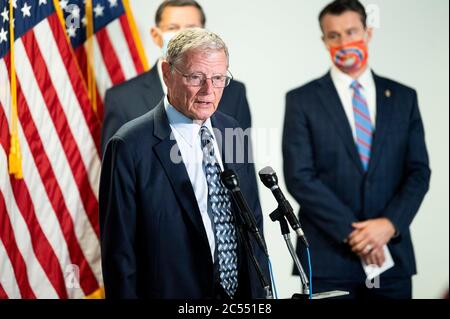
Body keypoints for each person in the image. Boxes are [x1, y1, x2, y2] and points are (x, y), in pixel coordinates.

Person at [99, 28, 269, 299]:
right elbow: (120, 254)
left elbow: (252, 222)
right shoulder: (129, 145)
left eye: (218, 78)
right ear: (167, 73)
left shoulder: (231, 129)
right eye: (195, 77)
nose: (208, 91)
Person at [283, 0, 430, 299]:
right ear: (324, 41)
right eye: (334, 35)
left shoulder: (403, 98)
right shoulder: (302, 100)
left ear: (368, 32)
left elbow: (418, 172)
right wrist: (355, 234)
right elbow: (300, 177)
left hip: (392, 258)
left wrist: (388, 225)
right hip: (328, 258)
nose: (344, 41)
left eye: (351, 31)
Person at [101, 0, 252, 153]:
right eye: (173, 28)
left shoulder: (234, 93)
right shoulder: (122, 99)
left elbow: (242, 165)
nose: (183, 36)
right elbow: (117, 166)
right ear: (156, 35)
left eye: (191, 28)